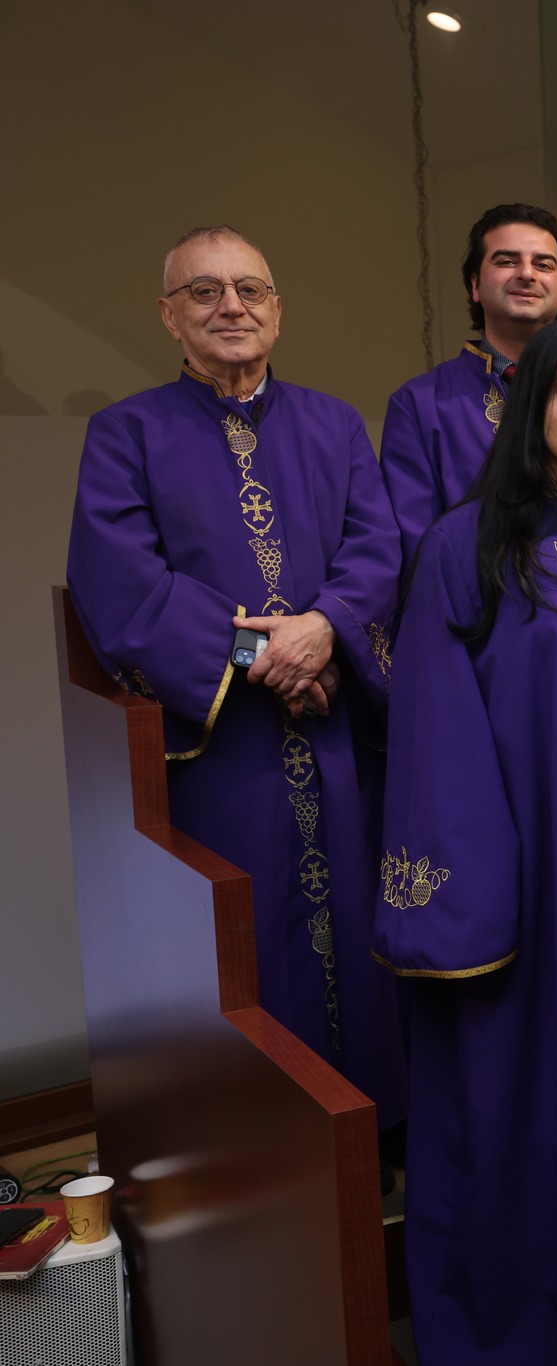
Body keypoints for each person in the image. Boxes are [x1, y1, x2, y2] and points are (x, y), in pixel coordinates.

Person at [374, 318, 557, 1365]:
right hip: (522, 896)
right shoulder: (463, 546)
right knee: (513, 1122)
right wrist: (477, 896)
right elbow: (434, 729)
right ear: (533, 402)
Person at [66, 225, 404, 1116]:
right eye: (205, 292)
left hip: (334, 743)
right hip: (222, 760)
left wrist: (324, 628)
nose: (231, 307)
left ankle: (370, 1142)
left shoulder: (335, 424)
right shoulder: (125, 433)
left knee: (357, 946)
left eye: (250, 289)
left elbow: (377, 548)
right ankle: (275, 1165)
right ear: (168, 315)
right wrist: (271, 657)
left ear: (277, 310)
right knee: (248, 959)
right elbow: (124, 585)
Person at [380, 204, 557, 575]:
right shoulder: (420, 404)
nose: (527, 273)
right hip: (476, 604)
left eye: (544, 264)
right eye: (507, 261)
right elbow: (419, 551)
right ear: (475, 286)